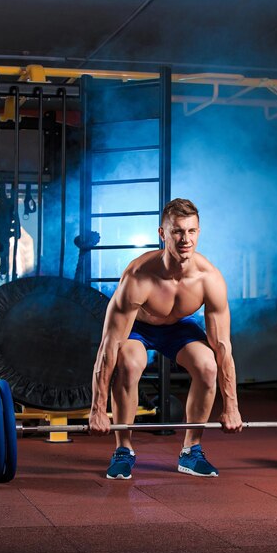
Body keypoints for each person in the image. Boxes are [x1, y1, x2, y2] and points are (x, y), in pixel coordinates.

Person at [89, 198, 242, 479]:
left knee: (208, 365)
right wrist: (97, 409)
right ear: (163, 233)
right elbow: (108, 348)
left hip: (179, 327)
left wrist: (231, 406)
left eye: (191, 231)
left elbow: (223, 347)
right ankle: (123, 449)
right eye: (177, 231)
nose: (185, 239)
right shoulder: (138, 278)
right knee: (129, 363)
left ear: (199, 232)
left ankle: (191, 452)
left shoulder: (210, 279)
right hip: (140, 326)